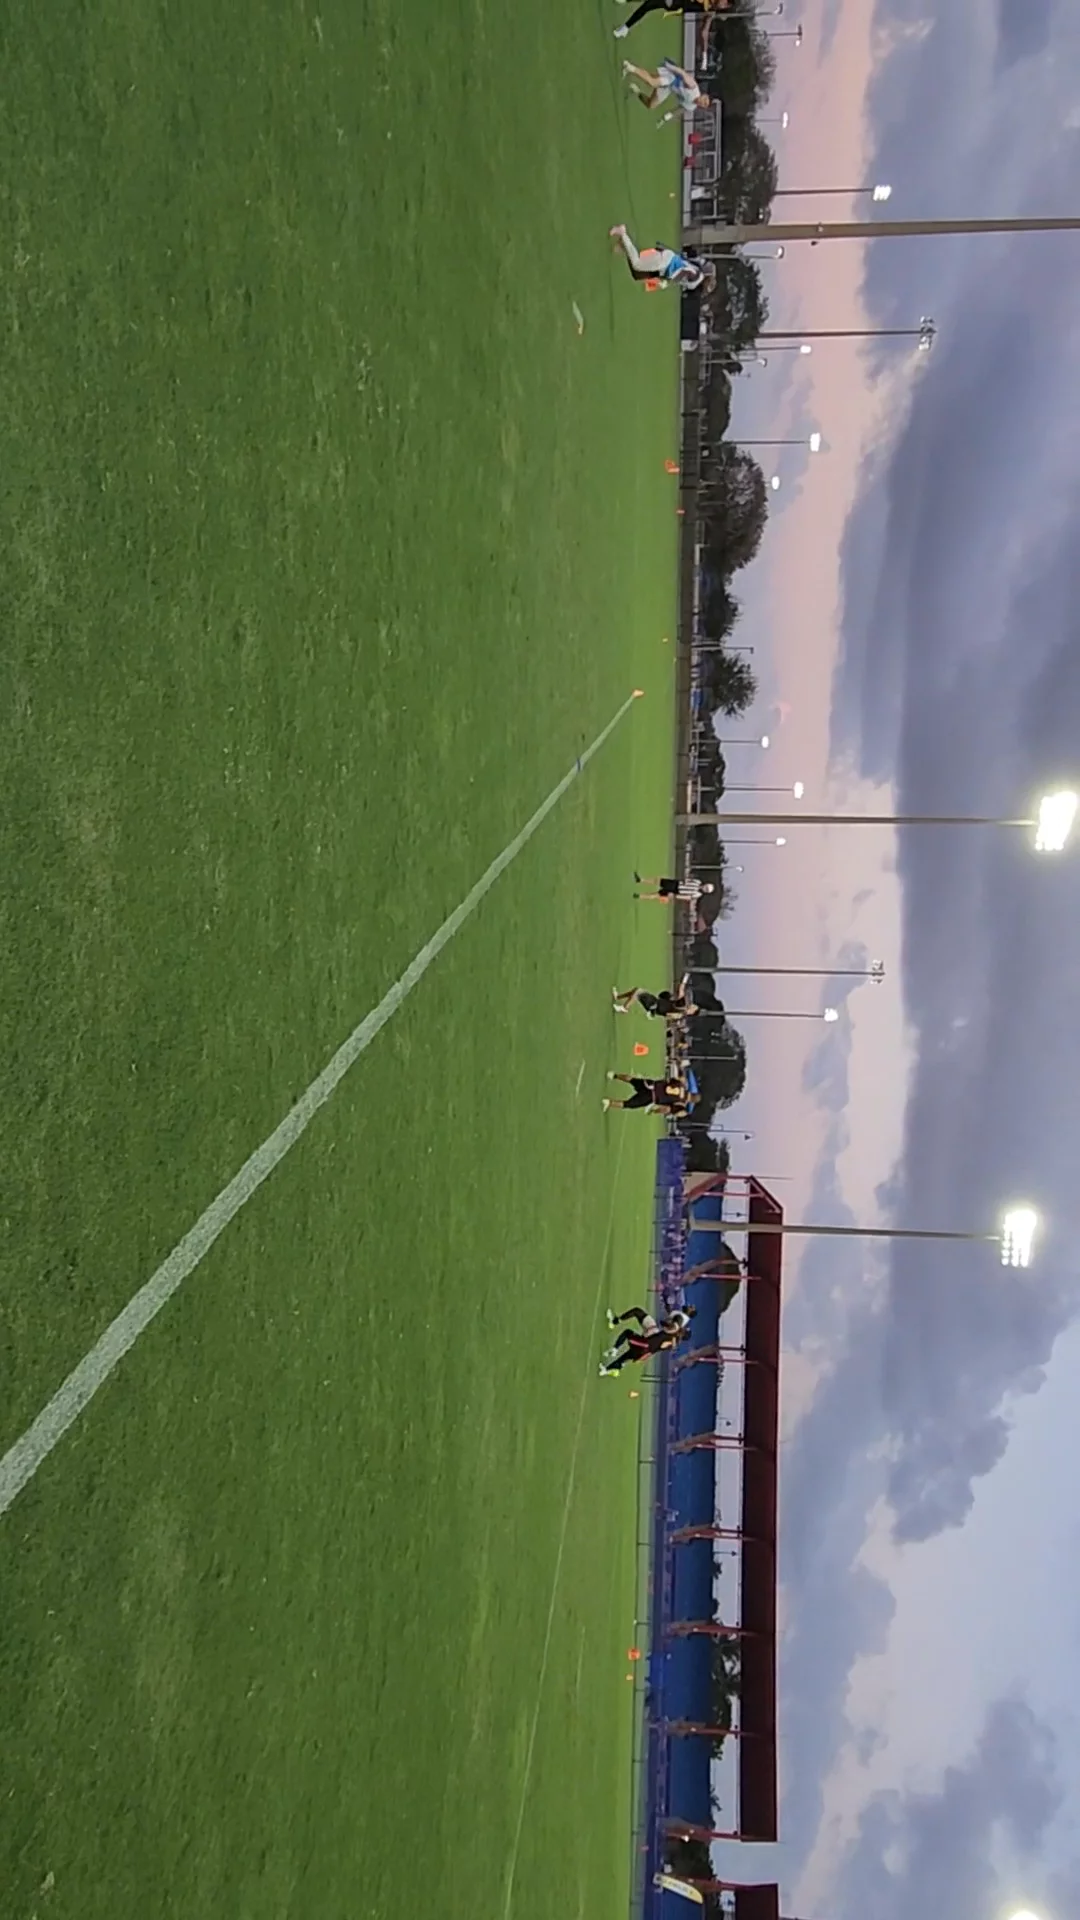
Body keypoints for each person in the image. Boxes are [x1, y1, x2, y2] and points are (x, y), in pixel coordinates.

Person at [609, 225, 711, 293]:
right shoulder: (696, 277)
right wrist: (667, 281)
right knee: (637, 264)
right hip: (665, 263)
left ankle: (623, 244)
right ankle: (622, 233)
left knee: (639, 270)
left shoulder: (698, 273)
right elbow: (684, 272)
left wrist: (665, 281)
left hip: (667, 262)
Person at [599, 1305, 694, 1375]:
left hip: (645, 1344)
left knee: (627, 1333)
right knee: (626, 1356)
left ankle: (615, 1350)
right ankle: (605, 1370)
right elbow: (663, 1345)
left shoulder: (674, 1332)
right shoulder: (675, 1341)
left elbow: (670, 1327)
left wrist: (670, 1328)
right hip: (647, 1352)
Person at [621, 56, 711, 115]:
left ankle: (636, 90)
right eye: (704, 100)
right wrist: (669, 66)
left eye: (704, 104)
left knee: (651, 105)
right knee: (652, 82)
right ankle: (629, 67)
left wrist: (669, 116)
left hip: (669, 88)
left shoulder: (691, 106)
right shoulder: (693, 88)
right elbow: (682, 73)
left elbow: (680, 109)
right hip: (672, 78)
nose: (702, 102)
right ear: (703, 95)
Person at [614, 0, 732, 41]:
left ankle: (625, 28)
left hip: (674, 2)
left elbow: (687, 8)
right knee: (647, 5)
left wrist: (674, 11)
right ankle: (625, 28)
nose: (722, 4)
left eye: (724, 4)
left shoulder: (707, 9)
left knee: (648, 5)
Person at [602, 1072, 690, 1114]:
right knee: (629, 1104)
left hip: (651, 1085)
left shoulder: (681, 1085)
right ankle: (609, 1103)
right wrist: (654, 1111)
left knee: (632, 1080)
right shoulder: (680, 1102)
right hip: (651, 1097)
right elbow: (667, 1109)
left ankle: (614, 1075)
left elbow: (670, 1079)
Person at [612, 979, 698, 1019]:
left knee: (638, 992)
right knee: (636, 990)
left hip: (654, 1006)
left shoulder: (681, 1013)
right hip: (655, 1001)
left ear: (692, 1012)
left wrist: (674, 1015)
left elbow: (668, 1015)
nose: (692, 1005)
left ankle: (625, 1008)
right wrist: (685, 978)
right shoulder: (681, 1002)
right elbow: (681, 988)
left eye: (693, 1008)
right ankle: (618, 997)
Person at [633, 871, 714, 905]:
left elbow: (687, 897)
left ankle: (639, 896)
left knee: (657, 895)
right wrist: (685, 880)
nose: (705, 888)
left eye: (706, 890)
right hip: (677, 883)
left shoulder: (698, 894)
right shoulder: (698, 882)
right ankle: (641, 880)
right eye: (706, 887)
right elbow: (688, 879)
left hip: (676, 891)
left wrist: (675, 896)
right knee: (658, 881)